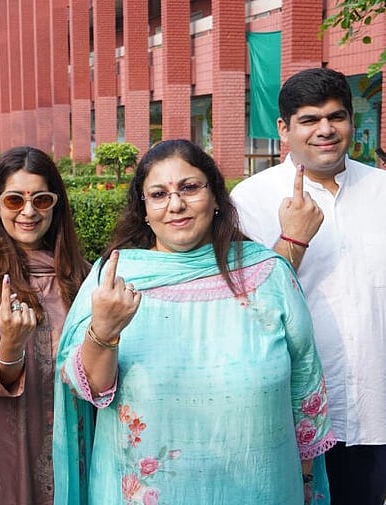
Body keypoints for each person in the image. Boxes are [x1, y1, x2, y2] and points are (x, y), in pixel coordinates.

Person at [54, 139, 335, 505]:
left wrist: (306, 481)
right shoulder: (116, 278)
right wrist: (104, 333)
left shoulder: (268, 276)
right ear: (144, 209)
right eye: (158, 194)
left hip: (262, 489)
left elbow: (305, 389)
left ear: (216, 197)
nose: (175, 204)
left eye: (190, 187)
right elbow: (88, 389)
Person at [231, 67, 386, 505]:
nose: (325, 130)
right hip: (293, 411)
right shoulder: (250, 200)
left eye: (336, 117)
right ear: (283, 128)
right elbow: (245, 306)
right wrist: (293, 240)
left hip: (376, 407)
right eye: (309, 119)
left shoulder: (382, 190)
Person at [0, 147, 89, 505]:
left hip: (73, 435)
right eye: (15, 200)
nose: (28, 212)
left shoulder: (83, 278)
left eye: (41, 200)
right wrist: (11, 346)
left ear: (56, 205)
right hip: (7, 440)